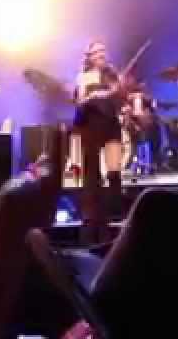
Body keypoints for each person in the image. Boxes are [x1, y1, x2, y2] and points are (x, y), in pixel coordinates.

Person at [72, 41, 129, 243]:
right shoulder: (83, 76)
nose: (102, 54)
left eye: (104, 51)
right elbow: (79, 102)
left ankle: (116, 215)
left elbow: (119, 95)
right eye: (97, 52)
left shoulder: (112, 74)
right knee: (92, 174)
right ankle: (92, 218)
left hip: (111, 125)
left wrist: (117, 91)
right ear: (89, 56)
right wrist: (92, 96)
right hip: (91, 126)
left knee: (114, 172)